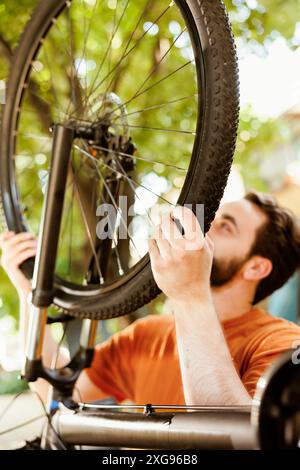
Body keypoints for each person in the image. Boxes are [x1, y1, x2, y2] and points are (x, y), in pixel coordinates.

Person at [0, 192, 300, 406]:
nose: (204, 226)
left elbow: (237, 439)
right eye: (212, 217)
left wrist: (190, 294)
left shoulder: (281, 342)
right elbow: (55, 390)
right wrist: (30, 294)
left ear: (256, 267)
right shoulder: (147, 335)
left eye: (225, 226)